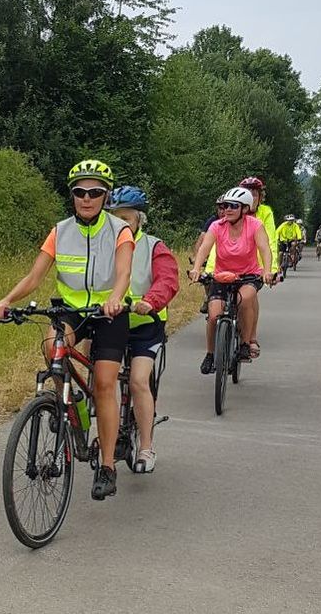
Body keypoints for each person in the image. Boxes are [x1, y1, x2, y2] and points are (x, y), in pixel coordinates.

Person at [0, 160, 134, 501]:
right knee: (51, 347)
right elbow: (34, 276)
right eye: (80, 192)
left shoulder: (119, 230)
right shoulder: (60, 230)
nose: (86, 198)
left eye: (94, 192)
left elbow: (124, 272)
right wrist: (6, 300)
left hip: (108, 311)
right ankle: (70, 403)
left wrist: (114, 298)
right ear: (72, 196)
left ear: (106, 196)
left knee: (104, 382)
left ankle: (108, 466)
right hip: (71, 308)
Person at [106, 186, 180, 473]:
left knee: (138, 381)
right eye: (115, 218)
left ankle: (146, 447)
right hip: (110, 321)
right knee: (99, 377)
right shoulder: (102, 245)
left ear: (139, 220)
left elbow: (167, 280)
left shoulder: (153, 246)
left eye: (126, 219)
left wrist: (150, 302)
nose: (120, 225)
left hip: (144, 324)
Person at [189, 187, 274, 374]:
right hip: (222, 275)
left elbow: (265, 249)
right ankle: (210, 354)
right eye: (225, 205)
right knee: (213, 316)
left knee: (243, 301)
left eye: (233, 206)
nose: (227, 209)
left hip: (249, 275)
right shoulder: (216, 226)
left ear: (244, 209)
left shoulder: (255, 225)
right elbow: (204, 248)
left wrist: (267, 271)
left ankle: (245, 343)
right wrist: (196, 268)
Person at [205, 176, 277, 358]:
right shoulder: (226, 217)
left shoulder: (264, 215)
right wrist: (208, 270)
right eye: (249, 192)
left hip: (254, 265)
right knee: (216, 306)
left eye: (256, 192)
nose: (252, 196)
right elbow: (215, 247)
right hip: (225, 266)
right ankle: (215, 347)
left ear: (260, 196)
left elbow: (270, 243)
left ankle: (250, 338)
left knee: (247, 299)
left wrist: (271, 269)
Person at [194, 194, 226, 314]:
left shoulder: (234, 222)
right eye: (220, 208)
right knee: (207, 279)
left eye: (226, 207)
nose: (223, 211)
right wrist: (197, 257)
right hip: (211, 253)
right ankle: (208, 298)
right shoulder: (212, 221)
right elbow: (201, 239)